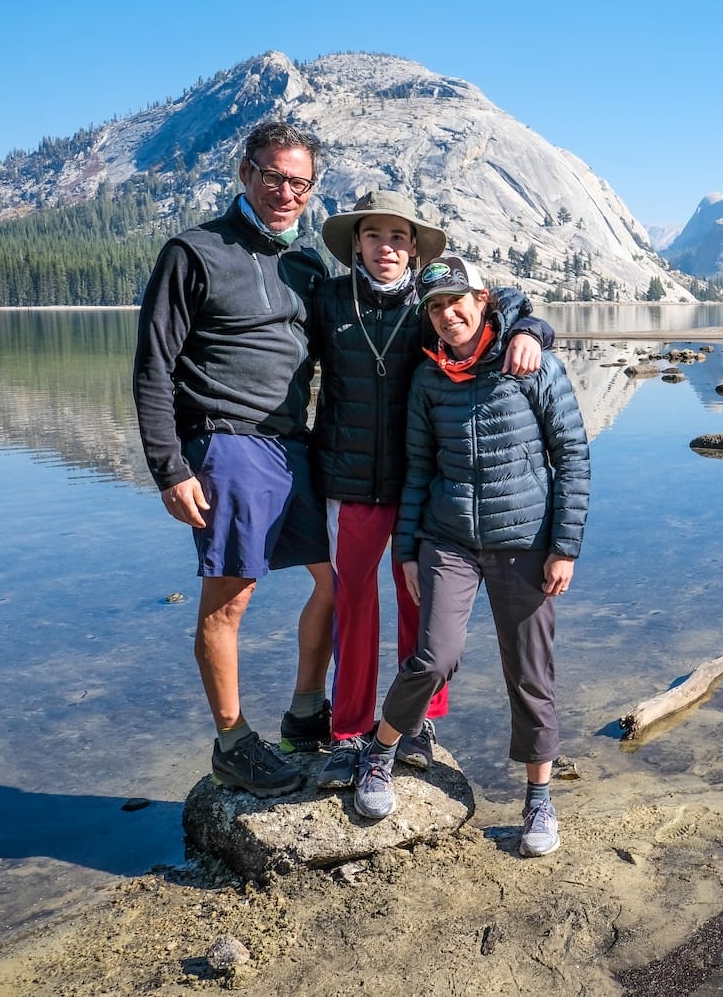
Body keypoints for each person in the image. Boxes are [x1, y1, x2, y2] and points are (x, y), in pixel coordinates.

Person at [309, 192, 555, 791]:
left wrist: (532, 331)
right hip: (351, 478)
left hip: (424, 480)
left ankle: (416, 725)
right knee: (354, 603)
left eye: (398, 236)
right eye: (374, 236)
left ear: (414, 247)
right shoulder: (328, 299)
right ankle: (349, 730)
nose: (386, 247)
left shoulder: (430, 303)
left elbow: (510, 305)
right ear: (357, 245)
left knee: (420, 604)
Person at [353, 256, 589, 859]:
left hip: (526, 541)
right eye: (434, 307)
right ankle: (379, 751)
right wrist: (405, 551)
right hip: (448, 538)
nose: (447, 315)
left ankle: (538, 798)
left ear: (483, 300)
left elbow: (573, 459)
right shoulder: (428, 378)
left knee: (530, 671)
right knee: (434, 655)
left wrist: (564, 547)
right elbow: (418, 471)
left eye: (457, 301)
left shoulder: (532, 364)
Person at [132, 121, 336, 797]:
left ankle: (306, 715)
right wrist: (169, 466)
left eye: (299, 182)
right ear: (244, 171)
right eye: (273, 175)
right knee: (230, 602)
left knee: (336, 581)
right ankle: (233, 741)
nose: (286, 192)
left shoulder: (308, 265)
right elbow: (153, 369)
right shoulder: (193, 251)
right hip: (226, 443)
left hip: (294, 447)